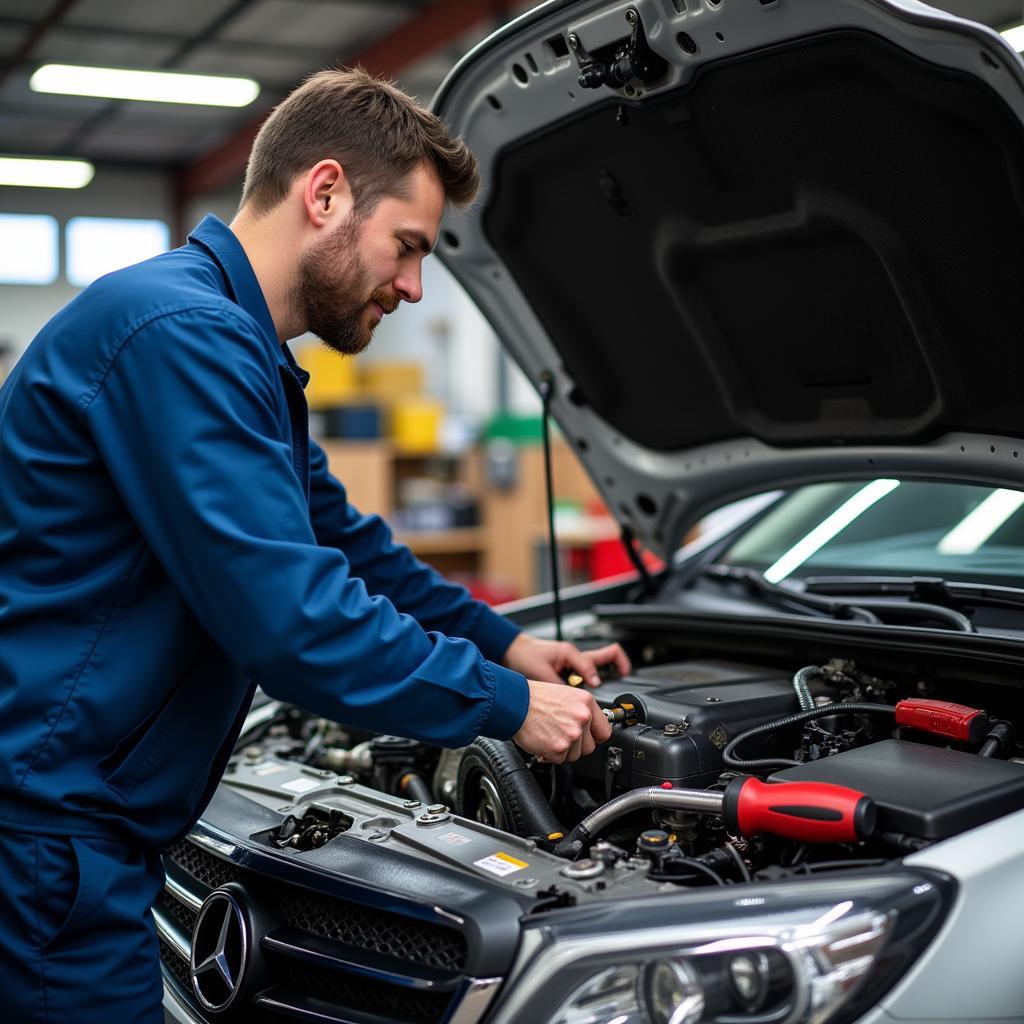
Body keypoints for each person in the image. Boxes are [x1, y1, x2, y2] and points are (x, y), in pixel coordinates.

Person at [0, 68, 628, 1023]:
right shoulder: (184, 335)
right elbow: (291, 622)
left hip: (79, 826)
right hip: (50, 840)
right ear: (325, 193)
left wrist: (506, 645)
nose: (415, 287)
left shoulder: (229, 344)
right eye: (407, 247)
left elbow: (346, 545)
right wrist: (504, 705)